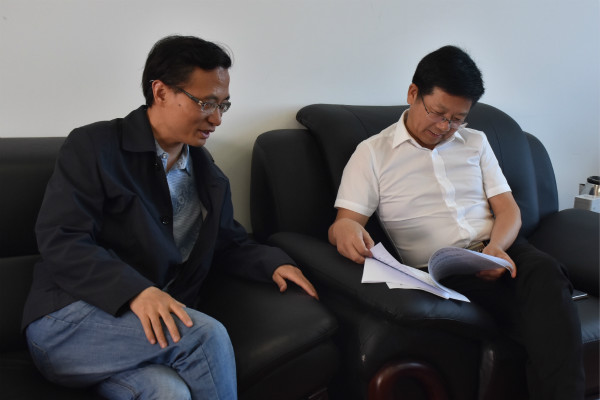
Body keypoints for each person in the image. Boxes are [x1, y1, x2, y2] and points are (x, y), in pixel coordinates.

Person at [22, 35, 318, 400]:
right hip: (68, 321)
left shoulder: (208, 177)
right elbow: (63, 237)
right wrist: (136, 291)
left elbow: (227, 242)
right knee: (204, 336)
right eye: (206, 103)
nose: (216, 119)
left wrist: (274, 264)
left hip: (141, 335)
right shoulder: (94, 147)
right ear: (160, 92)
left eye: (223, 105)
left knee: (168, 392)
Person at [328, 45, 584, 399]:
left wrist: (496, 248)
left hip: (500, 250)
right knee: (544, 320)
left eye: (457, 119)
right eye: (438, 113)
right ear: (413, 93)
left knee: (548, 273)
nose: (444, 127)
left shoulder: (476, 142)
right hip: (444, 272)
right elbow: (344, 223)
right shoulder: (372, 153)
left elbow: (508, 209)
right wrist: (346, 230)